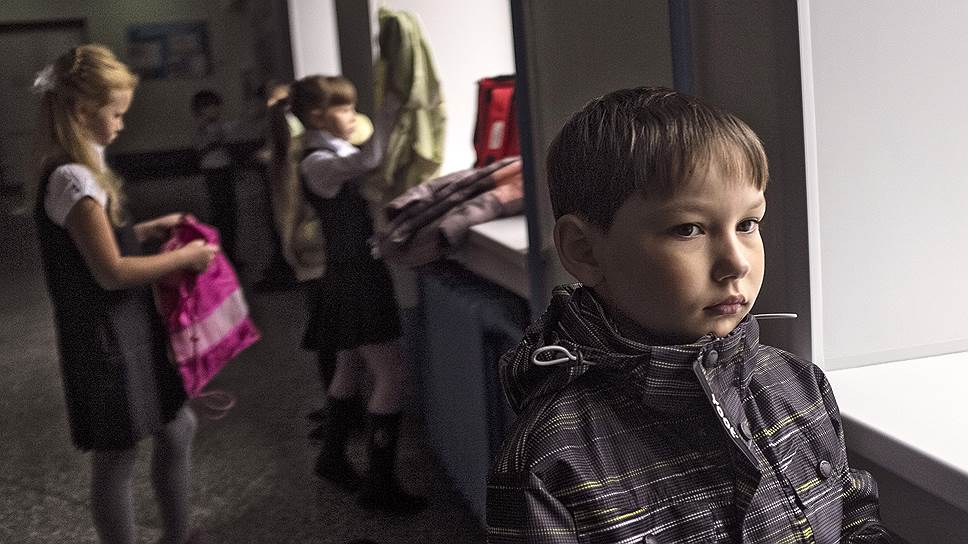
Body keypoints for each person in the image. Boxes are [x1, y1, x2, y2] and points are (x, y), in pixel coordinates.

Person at [486, 87, 895, 543]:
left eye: (747, 224)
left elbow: (853, 515)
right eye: (689, 229)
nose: (736, 262)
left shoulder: (798, 385)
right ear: (585, 250)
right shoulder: (551, 460)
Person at [31, 44, 217, 544]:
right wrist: (183, 258)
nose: (121, 124)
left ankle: (176, 535)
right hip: (105, 339)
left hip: (125, 329)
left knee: (176, 428)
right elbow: (110, 271)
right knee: (117, 455)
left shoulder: (80, 170)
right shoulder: (73, 178)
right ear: (82, 111)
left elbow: (97, 243)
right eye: (115, 114)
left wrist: (150, 229)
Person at [271, 74, 425, 514]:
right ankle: (380, 483)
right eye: (345, 108)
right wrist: (390, 110)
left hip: (348, 273)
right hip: (355, 276)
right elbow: (370, 159)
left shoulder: (327, 154)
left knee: (349, 366)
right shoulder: (317, 162)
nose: (353, 116)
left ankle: (332, 457)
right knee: (391, 373)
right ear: (317, 116)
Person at [191, 89, 240, 266]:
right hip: (213, 172)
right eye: (213, 107)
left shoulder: (220, 126)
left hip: (225, 170)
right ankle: (221, 257)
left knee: (231, 214)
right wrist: (217, 139)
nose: (217, 110)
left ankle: (231, 254)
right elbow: (200, 151)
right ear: (203, 109)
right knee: (220, 215)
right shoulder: (201, 128)